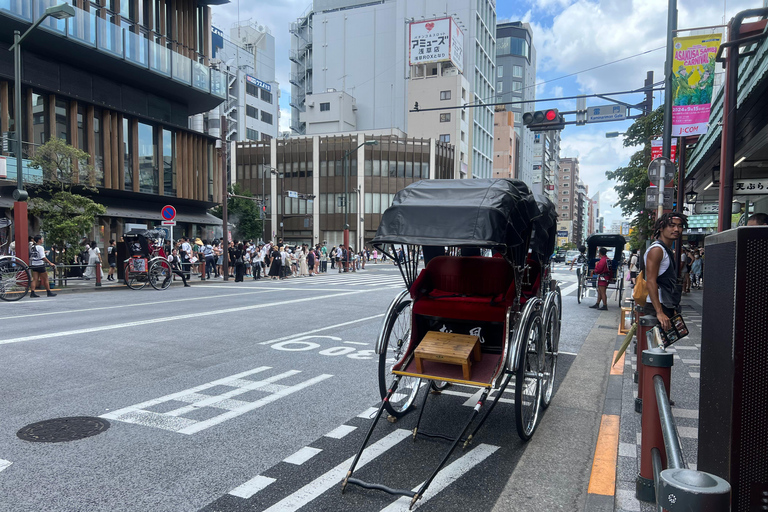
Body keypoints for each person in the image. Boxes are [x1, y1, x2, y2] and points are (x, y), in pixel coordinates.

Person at [645, 212, 688, 332]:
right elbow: (651, 281)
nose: (676, 229)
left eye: (679, 226)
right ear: (661, 228)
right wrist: (659, 312)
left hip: (665, 304)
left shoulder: (665, 250)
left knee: (665, 341)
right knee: (655, 343)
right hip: (657, 306)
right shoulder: (657, 250)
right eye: (672, 225)